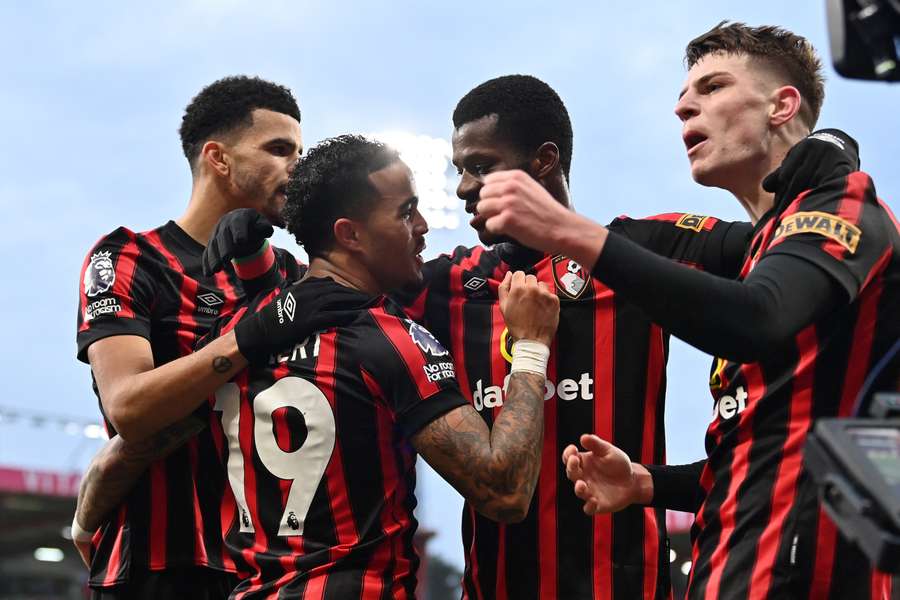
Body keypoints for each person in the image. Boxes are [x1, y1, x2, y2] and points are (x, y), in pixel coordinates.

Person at [476, 23, 900, 599]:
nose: (684, 108)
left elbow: (755, 320)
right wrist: (645, 482)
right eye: (681, 100)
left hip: (800, 578)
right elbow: (757, 457)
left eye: (714, 86)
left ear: (782, 104)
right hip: (729, 571)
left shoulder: (844, 203)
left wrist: (568, 233)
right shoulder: (763, 243)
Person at [393, 74, 758, 600]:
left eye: (482, 165)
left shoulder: (641, 252)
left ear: (545, 159)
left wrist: (823, 151)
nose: (464, 187)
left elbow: (789, 241)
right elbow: (331, 288)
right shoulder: (444, 287)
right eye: (459, 170)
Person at [205, 134, 559, 598]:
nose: (424, 225)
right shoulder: (388, 337)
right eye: (406, 212)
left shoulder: (234, 333)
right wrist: (531, 346)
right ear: (350, 234)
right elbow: (504, 491)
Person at [73, 75, 323, 599]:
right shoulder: (130, 259)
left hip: (276, 571)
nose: (296, 167)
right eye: (279, 150)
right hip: (160, 574)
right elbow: (129, 409)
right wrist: (251, 335)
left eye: (300, 151)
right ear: (219, 157)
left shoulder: (291, 276)